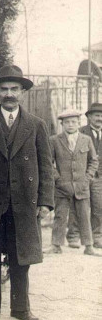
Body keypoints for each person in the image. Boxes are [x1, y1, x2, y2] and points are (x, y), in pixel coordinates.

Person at [0, 65, 54, 320]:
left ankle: (21, 308)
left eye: (14, 89)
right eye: (4, 89)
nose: (9, 94)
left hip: (24, 201)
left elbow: (46, 166)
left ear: (23, 92)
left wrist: (45, 202)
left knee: (22, 257)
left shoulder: (36, 125)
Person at [49, 109, 100, 255]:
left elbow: (93, 161)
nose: (70, 125)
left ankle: (89, 246)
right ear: (62, 124)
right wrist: (58, 179)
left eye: (73, 122)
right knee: (60, 215)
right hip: (62, 186)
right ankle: (56, 245)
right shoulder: (54, 140)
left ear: (79, 123)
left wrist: (87, 178)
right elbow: (48, 163)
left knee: (84, 215)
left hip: (82, 186)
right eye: (67, 122)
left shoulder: (86, 139)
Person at [67, 102, 102, 249]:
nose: (99, 118)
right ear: (89, 117)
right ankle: (73, 236)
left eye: (101, 115)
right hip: (82, 176)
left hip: (99, 176)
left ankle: (97, 236)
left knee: (98, 206)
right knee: (76, 205)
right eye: (96, 115)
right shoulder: (80, 133)